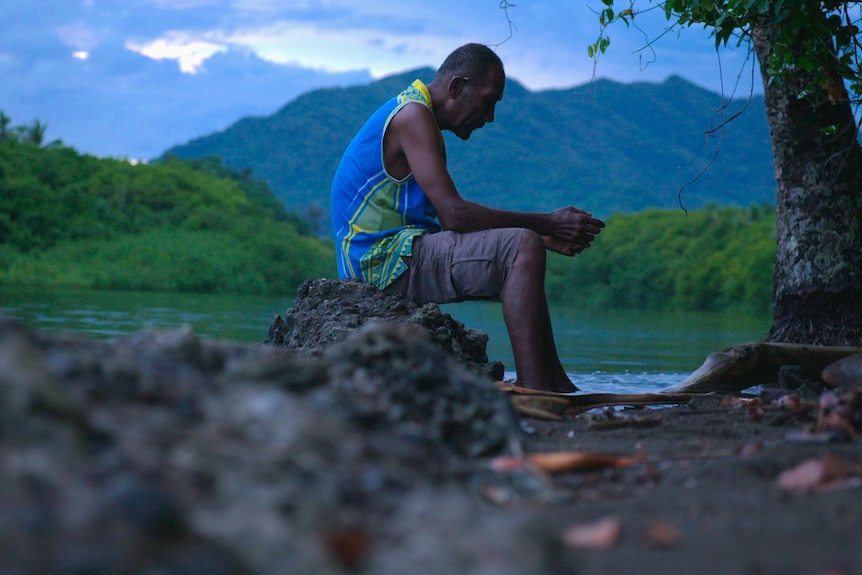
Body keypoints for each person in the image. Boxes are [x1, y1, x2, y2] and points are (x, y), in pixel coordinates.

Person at [331, 43, 604, 392]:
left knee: (525, 247)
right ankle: (537, 389)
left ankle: (555, 384)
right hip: (381, 265)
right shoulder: (413, 116)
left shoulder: (412, 112)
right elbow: (455, 214)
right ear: (457, 87)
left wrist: (540, 234)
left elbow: (449, 220)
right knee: (522, 246)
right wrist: (548, 223)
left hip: (393, 257)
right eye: (488, 101)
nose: (489, 117)